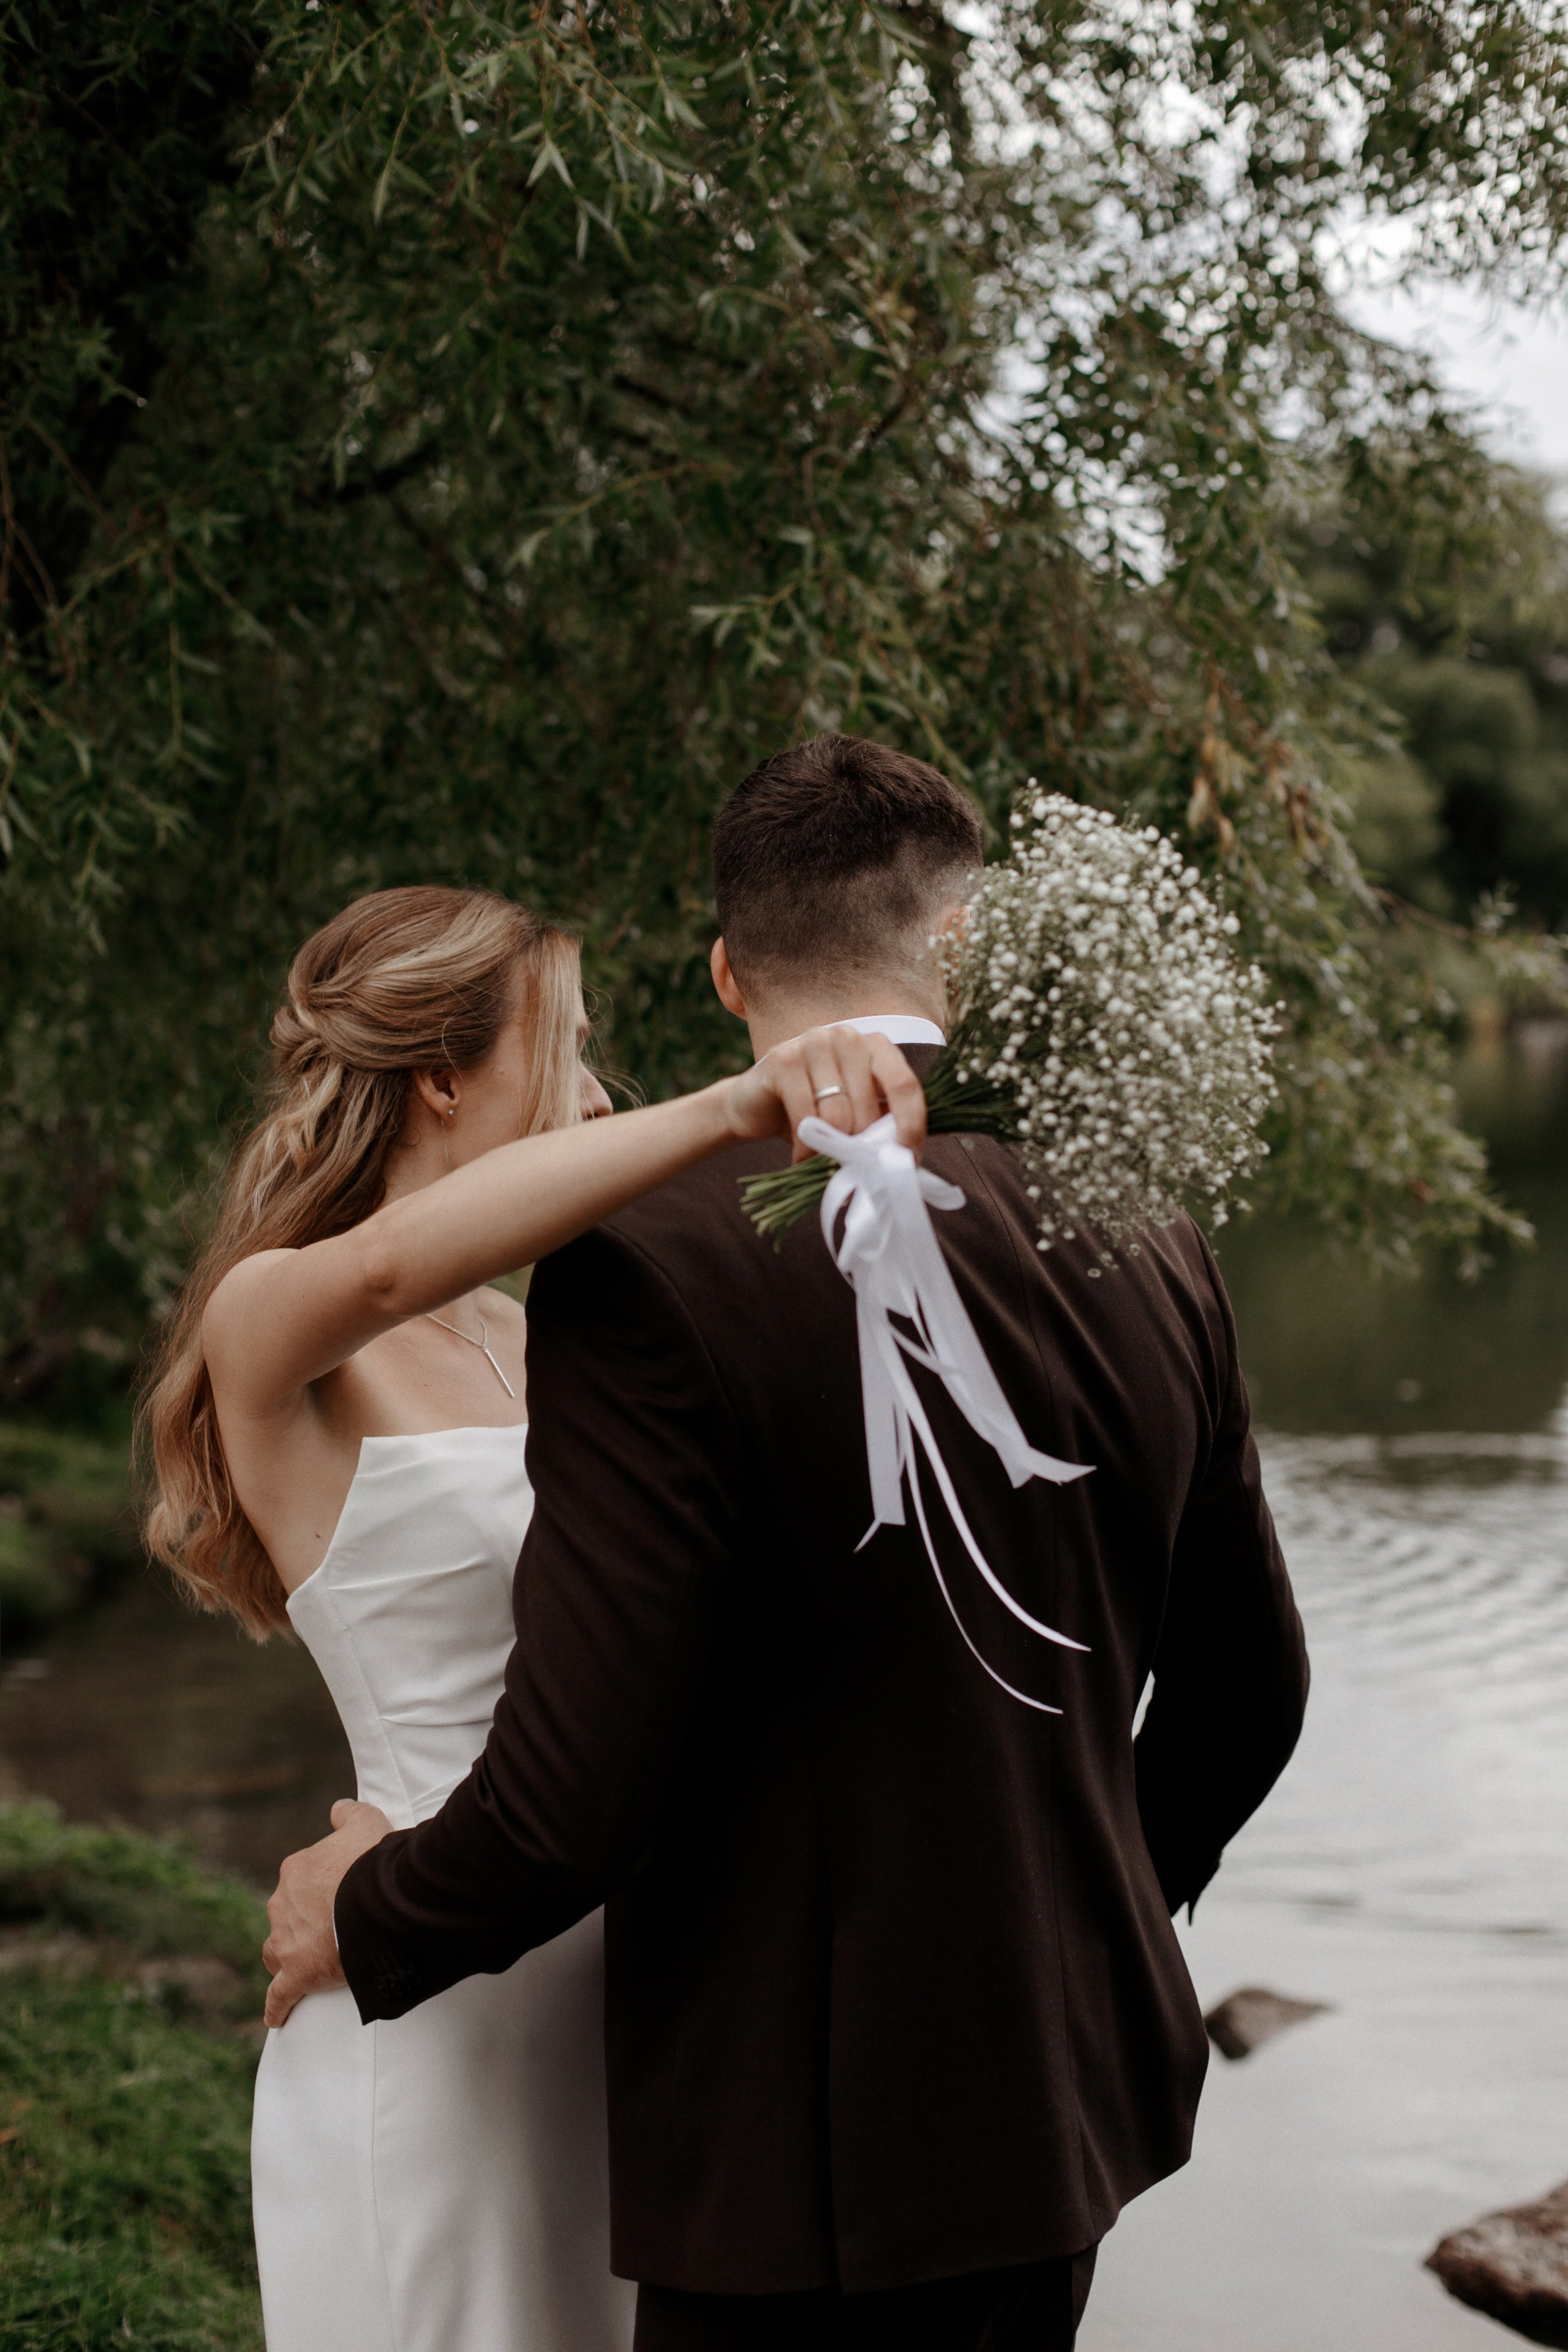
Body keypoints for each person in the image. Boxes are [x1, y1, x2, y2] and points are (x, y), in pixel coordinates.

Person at [262, 738, 1311, 2352]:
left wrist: (370, 1913)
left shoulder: (647, 1273)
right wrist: (1068, 1932)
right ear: (960, 948)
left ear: (729, 969)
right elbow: (1251, 1695)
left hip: (784, 2156)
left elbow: (575, 1798)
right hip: (1054, 2122)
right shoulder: (1150, 1232)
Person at [138, 881, 925, 2352]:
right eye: (565, 1050)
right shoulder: (273, 1321)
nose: (594, 1092)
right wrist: (727, 1107)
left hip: (629, 1984)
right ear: (440, 1075)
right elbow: (385, 1262)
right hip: (426, 2003)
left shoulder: (534, 1330)